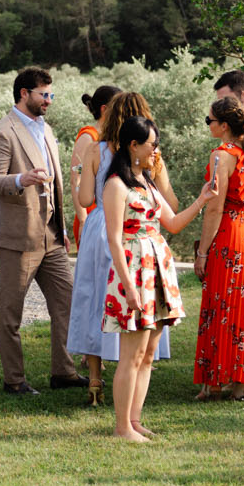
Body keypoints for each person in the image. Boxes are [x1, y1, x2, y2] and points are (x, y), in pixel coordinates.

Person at [102, 116, 214, 439]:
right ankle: (122, 427)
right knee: (131, 354)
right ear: (133, 146)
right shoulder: (116, 185)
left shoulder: (147, 182)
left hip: (155, 270)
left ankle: (135, 420)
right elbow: (113, 239)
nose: (156, 151)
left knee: (148, 353)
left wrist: (203, 199)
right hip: (133, 272)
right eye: (151, 145)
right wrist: (128, 287)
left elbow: (174, 223)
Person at [0, 67, 86, 396]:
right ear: (24, 94)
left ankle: (63, 372)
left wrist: (63, 226)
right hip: (17, 238)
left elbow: (55, 182)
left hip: (52, 237)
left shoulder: (46, 130)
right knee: (11, 314)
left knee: (67, 301)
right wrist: (20, 180)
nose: (49, 101)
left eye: (51, 94)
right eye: (44, 94)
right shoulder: (3, 132)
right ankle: (14, 381)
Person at [67, 93, 170, 399]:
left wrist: (79, 178)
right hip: (138, 227)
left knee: (95, 296)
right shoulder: (147, 152)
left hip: (101, 225)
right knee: (134, 293)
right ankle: (134, 366)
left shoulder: (95, 149)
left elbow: (85, 200)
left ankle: (96, 379)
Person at [192, 98, 244, 400]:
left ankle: (215, 382)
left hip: (228, 233)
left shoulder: (222, 155)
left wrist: (202, 253)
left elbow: (214, 210)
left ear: (223, 125)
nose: (209, 125)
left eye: (209, 120)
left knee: (221, 304)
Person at [65, 86, 121, 398]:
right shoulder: (91, 137)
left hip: (98, 217)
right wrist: (81, 214)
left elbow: (84, 184)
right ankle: (99, 358)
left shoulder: (99, 145)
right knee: (101, 291)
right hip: (99, 218)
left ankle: (97, 370)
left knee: (95, 292)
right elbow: (77, 183)